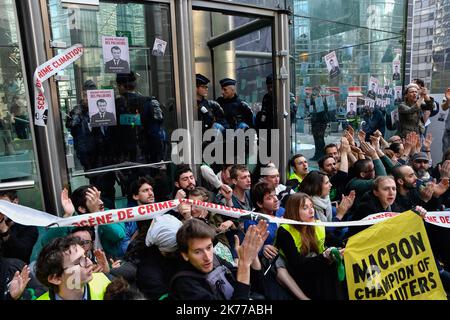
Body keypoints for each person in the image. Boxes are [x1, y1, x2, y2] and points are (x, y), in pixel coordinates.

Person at [170, 218, 268, 300]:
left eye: (209, 247)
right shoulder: (184, 284)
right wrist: (244, 265)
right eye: (198, 252)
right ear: (185, 255)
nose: (207, 257)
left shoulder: (215, 259)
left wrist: (253, 255)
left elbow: (258, 287)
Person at [274, 193, 346, 300]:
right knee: (326, 270)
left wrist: (346, 247)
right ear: (294, 211)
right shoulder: (285, 231)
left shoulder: (316, 224)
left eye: (311, 206)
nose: (311, 211)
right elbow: (298, 265)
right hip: (297, 275)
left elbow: (337, 242)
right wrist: (325, 258)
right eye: (305, 208)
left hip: (315, 269)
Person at [35, 237, 110, 300]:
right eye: (78, 261)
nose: (90, 263)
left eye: (86, 255)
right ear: (56, 278)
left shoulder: (103, 281)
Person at [115, 71, 165, 163]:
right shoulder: (148, 103)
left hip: (121, 159)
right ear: (135, 84)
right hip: (144, 157)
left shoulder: (114, 106)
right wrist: (158, 159)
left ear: (121, 86)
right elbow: (155, 134)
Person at [65, 80, 97, 171]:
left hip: (100, 152)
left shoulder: (99, 108)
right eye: (85, 95)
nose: (87, 98)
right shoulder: (78, 111)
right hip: (86, 152)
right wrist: (77, 113)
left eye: (90, 95)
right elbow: (70, 124)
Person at [441, 88, 450, 154]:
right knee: (446, 154)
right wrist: (448, 100)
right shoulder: (449, 91)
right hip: (449, 130)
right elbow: (444, 107)